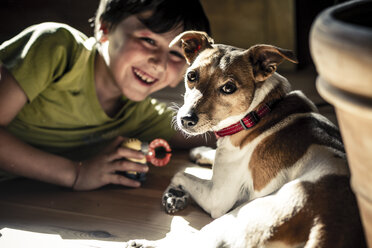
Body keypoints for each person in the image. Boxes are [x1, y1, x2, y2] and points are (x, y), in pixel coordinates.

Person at [0, 0, 211, 191]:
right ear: (105, 28)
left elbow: (208, 129)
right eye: (148, 40)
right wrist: (76, 173)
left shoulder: (139, 114)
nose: (159, 63)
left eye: (175, 54)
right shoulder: (58, 48)